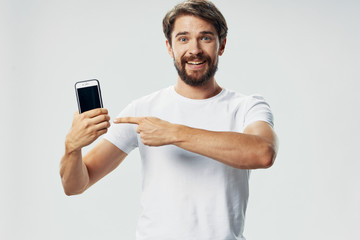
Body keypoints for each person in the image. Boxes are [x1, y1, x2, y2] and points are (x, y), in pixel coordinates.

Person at [60, 0, 279, 239]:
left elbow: (263, 153)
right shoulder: (143, 109)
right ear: (169, 47)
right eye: (183, 38)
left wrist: (174, 133)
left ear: (222, 45)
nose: (194, 50)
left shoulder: (247, 106)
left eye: (205, 37)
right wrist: (72, 148)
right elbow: (75, 185)